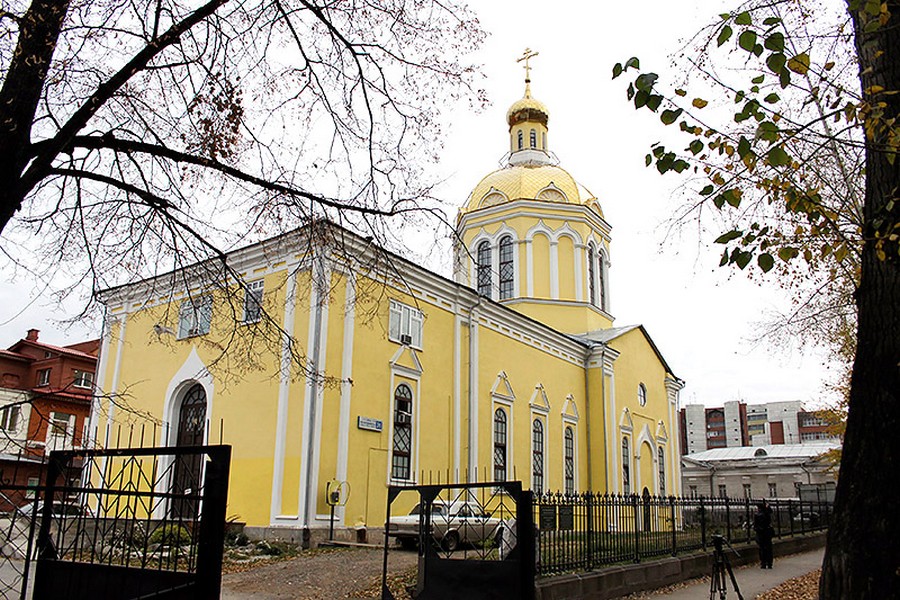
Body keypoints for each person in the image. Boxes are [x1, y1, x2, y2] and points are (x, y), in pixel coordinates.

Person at [753, 500, 775, 568]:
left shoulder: (757, 515)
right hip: (767, 532)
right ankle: (769, 563)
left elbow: (755, 525)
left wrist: (757, 529)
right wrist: (768, 506)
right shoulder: (767, 513)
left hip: (760, 533)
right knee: (769, 548)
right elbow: (770, 512)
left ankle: (763, 563)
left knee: (762, 548)